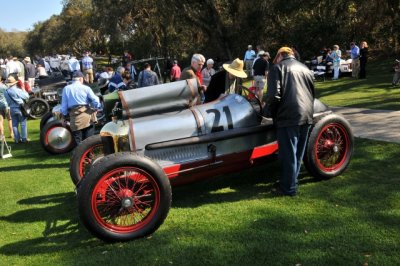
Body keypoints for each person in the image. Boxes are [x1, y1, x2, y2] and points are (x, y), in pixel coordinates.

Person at [265, 47, 315, 196]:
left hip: (288, 115)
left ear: (280, 55)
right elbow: (313, 93)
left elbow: (274, 96)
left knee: (288, 154)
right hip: (306, 114)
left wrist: (269, 112)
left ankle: (288, 188)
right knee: (298, 153)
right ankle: (291, 182)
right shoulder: (306, 68)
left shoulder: (277, 68)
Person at [61, 70, 101, 145]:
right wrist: (97, 107)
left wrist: (64, 116)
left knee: (78, 141)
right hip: (87, 116)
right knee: (89, 141)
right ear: (81, 79)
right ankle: (89, 155)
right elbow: (96, 100)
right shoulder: (86, 88)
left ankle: (80, 155)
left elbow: (64, 106)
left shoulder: (66, 89)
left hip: (75, 118)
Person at [4, 74, 30, 143]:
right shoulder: (16, 90)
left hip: (11, 109)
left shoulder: (6, 91)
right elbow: (26, 96)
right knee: (23, 123)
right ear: (15, 82)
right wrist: (23, 88)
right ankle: (24, 139)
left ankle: (17, 139)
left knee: (14, 125)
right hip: (19, 108)